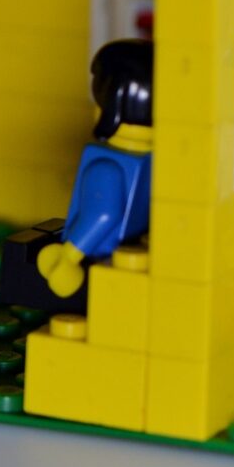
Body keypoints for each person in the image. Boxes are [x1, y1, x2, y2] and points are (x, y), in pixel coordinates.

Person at [38, 39, 153, 297]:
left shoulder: (107, 165)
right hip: (129, 256)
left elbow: (102, 215)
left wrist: (69, 256)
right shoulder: (151, 160)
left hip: (95, 259)